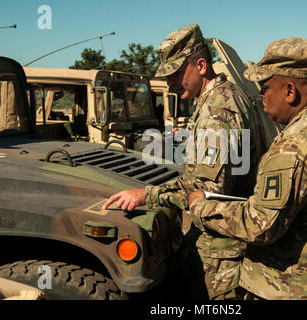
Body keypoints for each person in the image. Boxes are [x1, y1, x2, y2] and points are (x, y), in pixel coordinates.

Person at [188, 37, 307, 300]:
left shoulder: (298, 142)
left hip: (294, 287)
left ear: (289, 91)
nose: (261, 97)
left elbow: (261, 225)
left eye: (264, 88)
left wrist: (200, 206)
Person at [103, 24, 268, 299]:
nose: (170, 83)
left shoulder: (218, 111)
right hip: (224, 246)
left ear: (201, 65)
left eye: (176, 74)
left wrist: (146, 194)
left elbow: (206, 193)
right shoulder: (226, 96)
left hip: (222, 255)